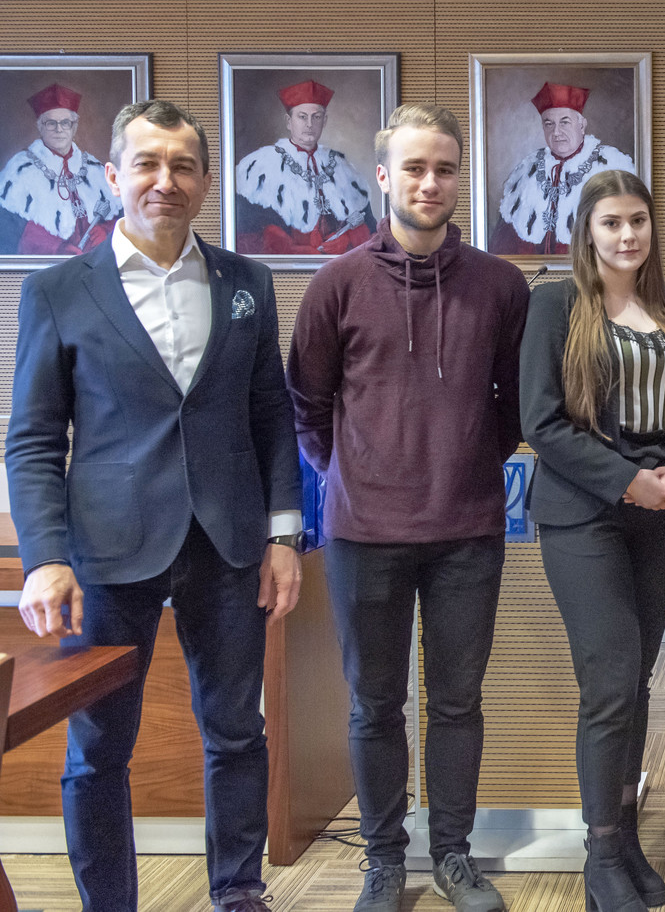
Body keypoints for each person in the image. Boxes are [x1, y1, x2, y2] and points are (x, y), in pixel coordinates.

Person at [5, 99, 303, 912]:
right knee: (99, 748)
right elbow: (33, 440)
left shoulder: (247, 283)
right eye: (146, 163)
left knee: (237, 732)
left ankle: (238, 891)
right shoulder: (58, 291)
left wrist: (284, 536)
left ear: (204, 181)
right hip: (106, 551)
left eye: (182, 166)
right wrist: (46, 558)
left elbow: (270, 415)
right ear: (113, 176)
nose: (164, 181)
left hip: (228, 543)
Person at [286, 103, 528, 912]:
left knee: (458, 702)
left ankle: (452, 855)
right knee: (374, 705)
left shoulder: (500, 285)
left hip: (468, 531)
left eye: (445, 169)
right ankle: (384, 861)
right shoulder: (337, 284)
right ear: (384, 176)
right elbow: (307, 403)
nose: (431, 183)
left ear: (460, 179)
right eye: (415, 168)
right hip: (364, 536)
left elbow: (513, 406)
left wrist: (465, 464)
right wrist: (351, 473)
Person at [521, 169, 665, 912]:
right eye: (611, 222)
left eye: (638, 220)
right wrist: (627, 480)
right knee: (608, 684)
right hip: (584, 512)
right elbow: (541, 422)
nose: (627, 235)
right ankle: (600, 856)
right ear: (587, 231)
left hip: (662, 511)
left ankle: (626, 836)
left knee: (637, 682)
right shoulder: (556, 304)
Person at [234, 79, 377, 256]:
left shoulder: (343, 167)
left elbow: (368, 226)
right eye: (302, 117)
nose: (310, 124)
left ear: (324, 121)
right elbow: (246, 234)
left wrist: (348, 239)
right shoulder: (259, 166)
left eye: (316, 117)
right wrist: (290, 248)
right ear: (289, 121)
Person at [495, 82, 637, 255]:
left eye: (564, 122)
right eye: (549, 124)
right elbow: (503, 244)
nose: (556, 132)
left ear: (582, 126)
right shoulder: (527, 170)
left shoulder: (611, 164)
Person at [0, 82, 119, 255]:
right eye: (51, 123)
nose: (59, 129)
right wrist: (57, 248)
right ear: (40, 126)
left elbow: (123, 218)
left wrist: (105, 231)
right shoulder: (20, 169)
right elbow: (8, 228)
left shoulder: (94, 169)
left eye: (65, 123)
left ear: (74, 127)